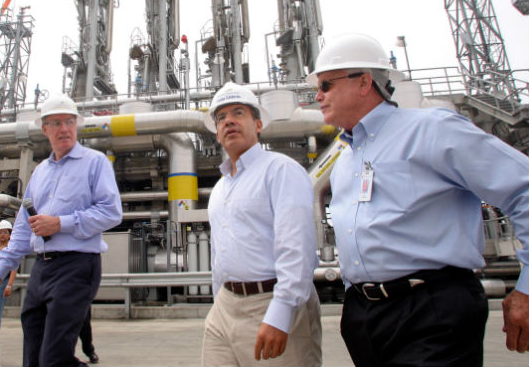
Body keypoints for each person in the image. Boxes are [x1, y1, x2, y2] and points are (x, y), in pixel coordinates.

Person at [306, 33, 529, 365]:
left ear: (365, 83)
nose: (318, 95)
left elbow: (523, 188)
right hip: (364, 316)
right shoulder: (345, 160)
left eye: (326, 85)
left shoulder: (432, 130)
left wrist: (527, 288)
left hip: (431, 309)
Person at [0, 93, 122, 367]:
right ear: (45, 129)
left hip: (77, 266)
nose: (64, 128)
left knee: (54, 359)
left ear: (76, 125)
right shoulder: (40, 172)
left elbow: (111, 212)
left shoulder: (95, 163)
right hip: (41, 270)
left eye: (69, 121)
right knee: (32, 357)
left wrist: (60, 223)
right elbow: (22, 228)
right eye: (56, 123)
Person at [201, 82, 322, 366]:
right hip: (225, 308)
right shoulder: (219, 189)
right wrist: (218, 301)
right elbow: (219, 253)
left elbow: (297, 248)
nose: (228, 120)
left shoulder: (280, 170)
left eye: (238, 113)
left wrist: (281, 313)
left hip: (271, 300)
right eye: (221, 117)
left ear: (258, 124)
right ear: (217, 133)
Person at [0, 219, 17, 338]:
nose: (2, 235)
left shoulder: (11, 249)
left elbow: (13, 268)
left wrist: (9, 285)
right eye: (0, 232)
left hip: (2, 282)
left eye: (5, 232)